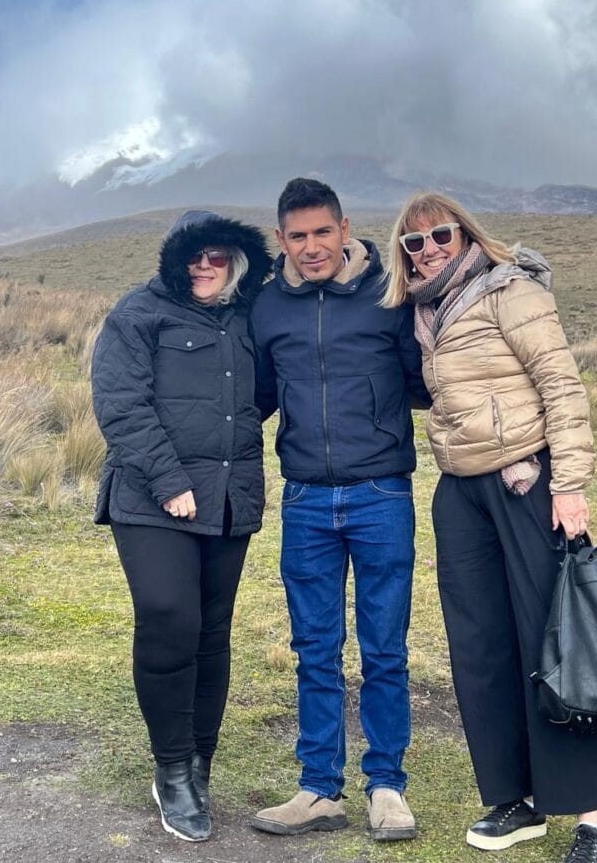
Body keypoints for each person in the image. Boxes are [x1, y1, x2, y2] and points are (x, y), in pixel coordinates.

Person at [383, 192, 597, 863]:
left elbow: (561, 385)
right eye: (414, 243)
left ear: (466, 234)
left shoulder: (509, 290)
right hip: (461, 491)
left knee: (552, 641)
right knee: (480, 646)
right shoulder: (422, 310)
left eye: (441, 235)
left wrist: (568, 483)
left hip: (524, 481)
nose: (429, 250)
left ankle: (593, 817)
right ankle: (516, 798)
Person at [249, 178, 430, 841]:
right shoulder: (268, 305)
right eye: (297, 236)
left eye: (323, 232)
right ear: (281, 239)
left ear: (345, 229)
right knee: (314, 650)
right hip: (304, 499)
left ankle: (387, 787)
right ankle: (319, 789)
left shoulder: (389, 295)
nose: (312, 247)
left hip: (381, 494)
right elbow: (258, 397)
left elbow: (424, 383)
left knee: (384, 648)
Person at [91, 210, 271, 843]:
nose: (204, 266)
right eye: (193, 256)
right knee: (171, 618)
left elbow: (262, 395)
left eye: (217, 256)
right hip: (151, 498)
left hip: (228, 499)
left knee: (211, 633)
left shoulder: (249, 317)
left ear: (236, 262)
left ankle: (199, 762)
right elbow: (120, 403)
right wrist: (169, 481)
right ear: (174, 260)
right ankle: (171, 769)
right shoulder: (139, 313)